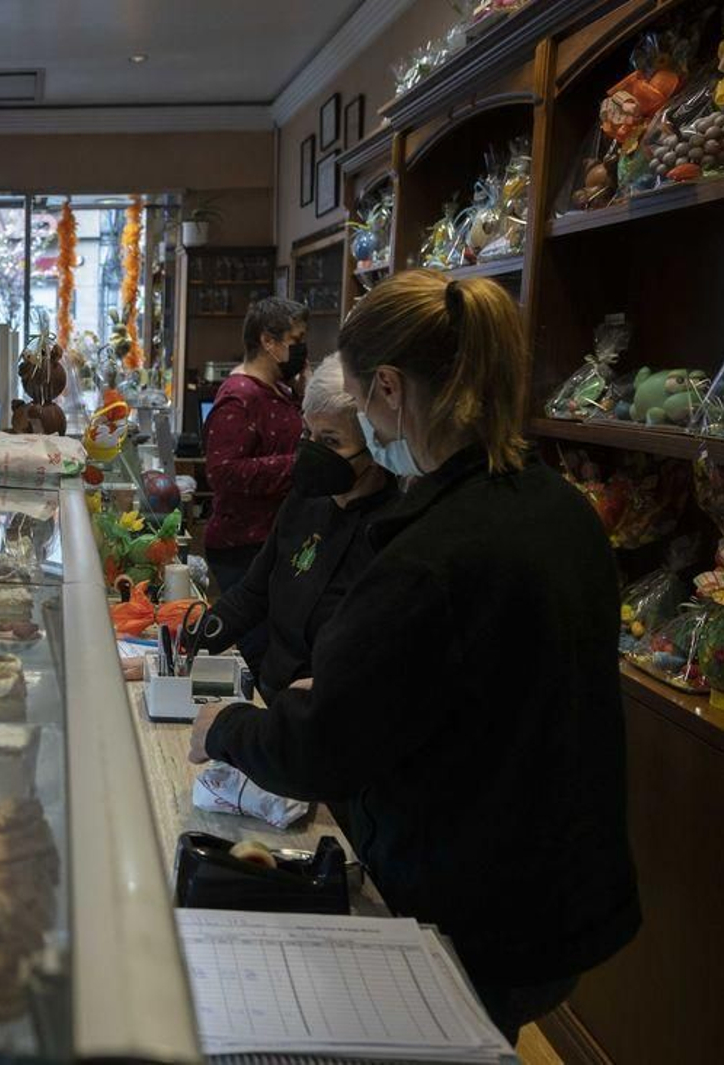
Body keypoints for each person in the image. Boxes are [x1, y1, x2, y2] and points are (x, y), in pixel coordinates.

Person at [190, 271, 640, 1043]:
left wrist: (224, 726)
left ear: (391, 390)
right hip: (564, 887)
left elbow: (322, 743)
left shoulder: (429, 554)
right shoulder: (561, 508)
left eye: (361, 406)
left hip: (479, 901)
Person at [191, 354, 398, 706]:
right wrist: (185, 645)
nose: (311, 450)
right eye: (307, 433)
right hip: (269, 699)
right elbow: (252, 594)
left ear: (376, 445)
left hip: (327, 716)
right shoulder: (305, 500)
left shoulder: (394, 530)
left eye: (331, 441)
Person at [203, 296, 310, 669]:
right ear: (269, 341)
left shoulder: (280, 390)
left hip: (271, 539)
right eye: (296, 339)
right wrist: (298, 466)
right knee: (255, 648)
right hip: (243, 546)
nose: (302, 348)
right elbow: (223, 472)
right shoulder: (240, 397)